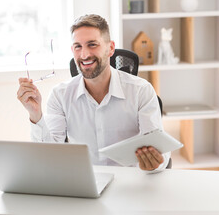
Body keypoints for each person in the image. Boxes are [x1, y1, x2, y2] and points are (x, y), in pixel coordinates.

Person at [17, 14, 170, 172]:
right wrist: (35, 114)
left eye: (92, 45)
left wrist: (155, 163)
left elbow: (160, 150)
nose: (84, 55)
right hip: (84, 183)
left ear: (110, 48)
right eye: (78, 46)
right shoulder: (60, 95)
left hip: (130, 181)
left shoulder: (141, 90)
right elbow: (48, 155)